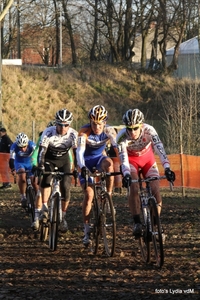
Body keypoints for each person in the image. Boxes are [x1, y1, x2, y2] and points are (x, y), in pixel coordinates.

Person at [116, 108, 175, 237]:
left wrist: (167, 168)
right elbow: (124, 159)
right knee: (134, 187)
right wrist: (126, 174)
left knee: (155, 188)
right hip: (131, 161)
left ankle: (156, 224)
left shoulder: (150, 130)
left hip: (147, 159)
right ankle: (137, 222)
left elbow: (160, 150)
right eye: (129, 128)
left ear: (141, 125)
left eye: (135, 128)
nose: (132, 132)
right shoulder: (121, 137)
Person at [76, 105, 118, 246]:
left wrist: (124, 165)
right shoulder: (84, 132)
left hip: (99, 158)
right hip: (85, 162)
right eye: (94, 123)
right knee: (89, 195)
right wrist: (82, 167)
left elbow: (117, 147)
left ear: (104, 122)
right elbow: (80, 153)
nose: (96, 127)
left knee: (110, 164)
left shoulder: (109, 131)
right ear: (90, 122)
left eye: (99, 124)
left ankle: (109, 195)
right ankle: (87, 230)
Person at [38, 108, 78, 233]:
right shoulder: (48, 132)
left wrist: (77, 168)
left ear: (69, 125)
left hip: (64, 161)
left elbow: (76, 154)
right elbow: (42, 152)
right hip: (49, 159)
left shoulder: (73, 134)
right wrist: (40, 166)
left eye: (66, 125)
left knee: (66, 186)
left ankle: (63, 217)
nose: (62, 127)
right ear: (55, 123)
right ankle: (44, 208)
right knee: (46, 179)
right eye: (60, 124)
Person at [9, 133, 37, 208]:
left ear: (27, 143)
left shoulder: (32, 145)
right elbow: (11, 159)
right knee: (22, 177)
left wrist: (36, 165)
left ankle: (38, 196)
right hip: (19, 163)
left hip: (30, 162)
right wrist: (13, 169)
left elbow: (37, 155)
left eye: (24, 146)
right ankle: (23, 196)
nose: (23, 149)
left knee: (34, 181)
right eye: (20, 147)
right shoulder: (14, 146)